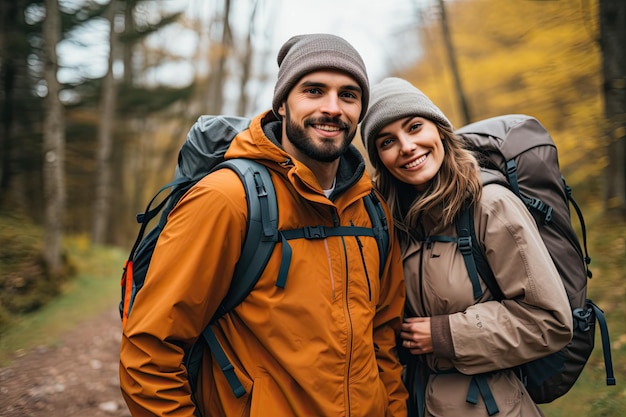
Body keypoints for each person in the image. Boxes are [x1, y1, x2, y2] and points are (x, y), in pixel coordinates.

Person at [119, 35, 408, 417]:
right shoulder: (226, 198)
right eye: (314, 90)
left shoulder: (371, 209)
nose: (333, 108)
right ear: (282, 105)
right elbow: (148, 353)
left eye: (349, 95)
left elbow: (383, 342)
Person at [360, 77, 573, 416]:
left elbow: (549, 321)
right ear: (380, 158)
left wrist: (447, 334)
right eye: (388, 141)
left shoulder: (490, 206)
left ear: (440, 129)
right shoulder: (394, 223)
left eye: (414, 127)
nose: (407, 146)